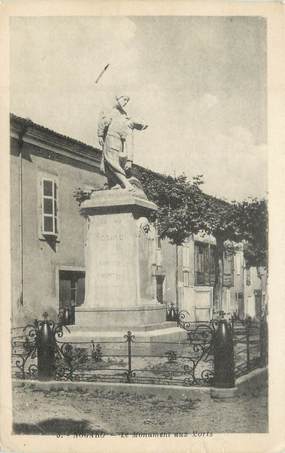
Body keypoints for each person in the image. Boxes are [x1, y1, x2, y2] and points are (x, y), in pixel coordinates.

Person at [97, 95, 147, 190]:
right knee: (106, 168)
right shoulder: (113, 111)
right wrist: (100, 135)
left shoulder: (125, 119)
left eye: (127, 101)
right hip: (111, 140)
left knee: (112, 163)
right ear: (118, 98)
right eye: (124, 99)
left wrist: (129, 160)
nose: (125, 102)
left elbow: (129, 141)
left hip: (113, 141)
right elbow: (104, 121)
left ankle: (126, 184)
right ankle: (117, 184)